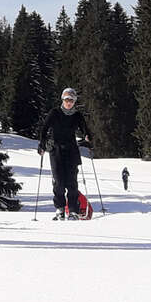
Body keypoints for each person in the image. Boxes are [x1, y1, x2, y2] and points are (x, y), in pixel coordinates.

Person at [37, 87, 92, 220]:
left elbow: (85, 128)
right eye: (67, 99)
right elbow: (44, 129)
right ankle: (60, 209)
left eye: (72, 100)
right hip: (56, 150)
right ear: (63, 99)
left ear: (74, 102)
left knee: (72, 182)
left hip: (71, 150)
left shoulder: (77, 115)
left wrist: (87, 136)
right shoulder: (54, 113)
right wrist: (42, 144)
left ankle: (73, 209)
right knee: (59, 181)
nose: (69, 102)